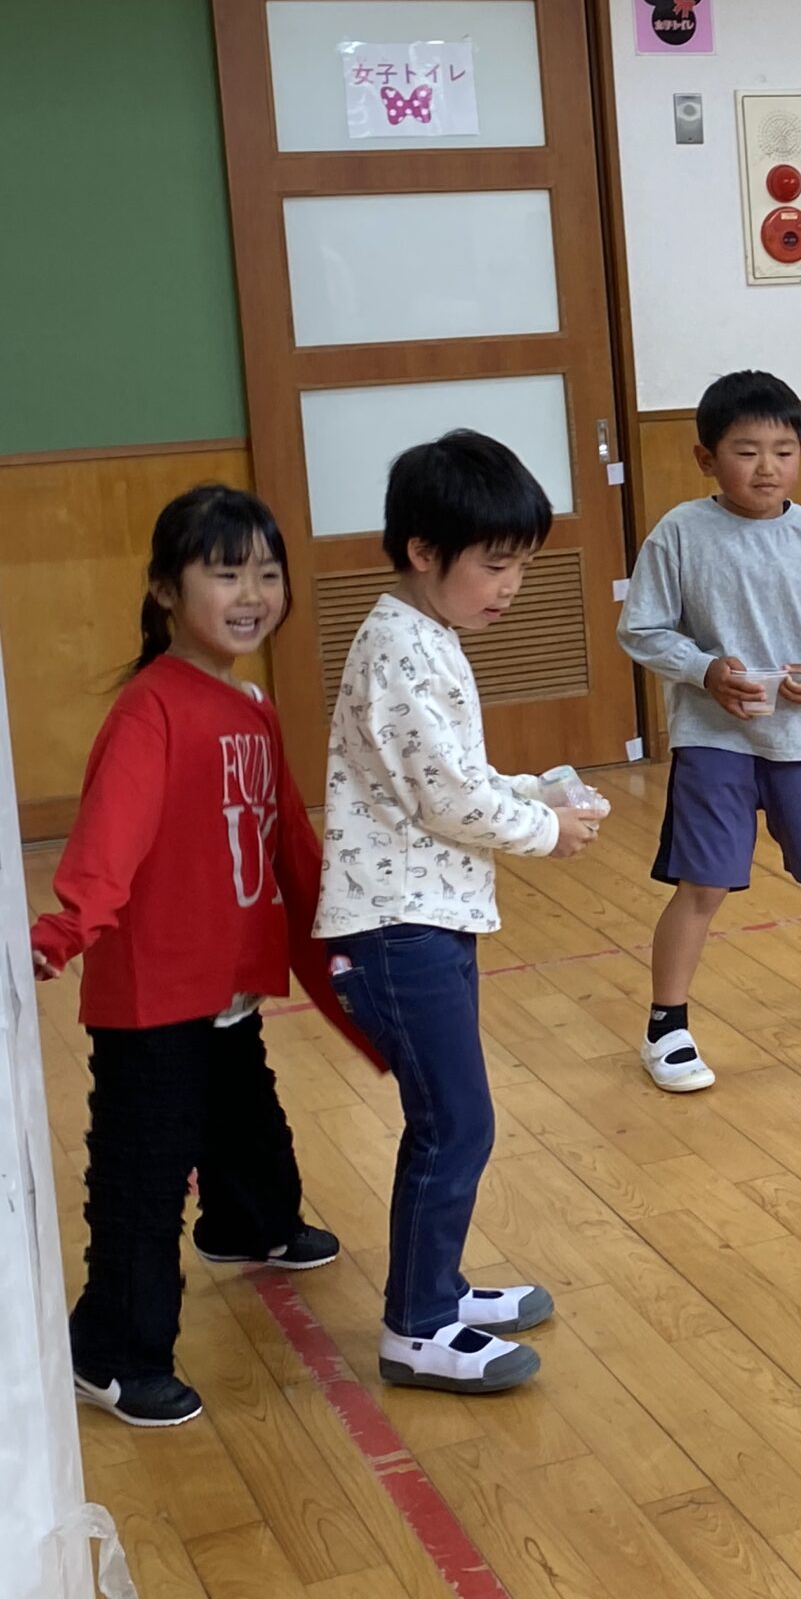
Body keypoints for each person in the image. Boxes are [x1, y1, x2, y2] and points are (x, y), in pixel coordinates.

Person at [31, 486, 374, 1429]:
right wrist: (62, 932)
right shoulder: (150, 710)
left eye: (267, 573)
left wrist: (348, 924)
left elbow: (287, 835)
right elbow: (108, 842)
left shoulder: (250, 703)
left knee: (240, 1108)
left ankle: (250, 1224)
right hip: (155, 992)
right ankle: (110, 1352)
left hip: (224, 982)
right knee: (143, 1173)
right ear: (164, 590)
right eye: (225, 574)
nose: (251, 594)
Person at [316, 431, 602, 1395]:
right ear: (423, 551)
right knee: (455, 1123)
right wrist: (543, 828)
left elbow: (447, 779)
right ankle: (417, 1327)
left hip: (427, 918)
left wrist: (533, 791)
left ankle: (434, 1290)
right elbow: (445, 797)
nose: (510, 587)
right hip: (397, 930)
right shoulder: (400, 647)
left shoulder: (423, 635)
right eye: (495, 565)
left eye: (521, 566)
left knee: (452, 1119)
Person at [617, 370, 801, 1093]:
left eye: (783, 451)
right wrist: (705, 670)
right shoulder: (680, 533)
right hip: (713, 740)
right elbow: (642, 628)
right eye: (746, 451)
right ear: (706, 458)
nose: (767, 467)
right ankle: (666, 1024)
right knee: (703, 881)